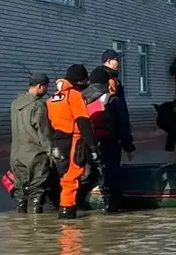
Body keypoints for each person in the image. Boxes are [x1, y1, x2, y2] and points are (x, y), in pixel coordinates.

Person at [47, 64, 99, 219]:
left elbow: (49, 123)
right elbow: (83, 122)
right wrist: (93, 146)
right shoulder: (74, 95)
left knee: (63, 177)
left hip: (58, 141)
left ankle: (64, 213)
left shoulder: (52, 98)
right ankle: (67, 218)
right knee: (72, 178)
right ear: (81, 80)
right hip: (74, 140)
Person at [82, 68, 135, 212]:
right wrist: (128, 147)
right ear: (106, 82)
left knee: (85, 177)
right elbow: (123, 126)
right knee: (111, 180)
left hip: (84, 147)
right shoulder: (112, 100)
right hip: (108, 145)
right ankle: (112, 209)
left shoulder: (80, 99)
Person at [9, 73, 54, 213]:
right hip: (35, 156)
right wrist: (52, 154)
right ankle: (36, 228)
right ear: (40, 86)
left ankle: (22, 227)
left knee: (20, 192)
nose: (47, 90)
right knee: (37, 191)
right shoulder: (38, 106)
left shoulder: (15, 104)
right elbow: (44, 133)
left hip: (16, 156)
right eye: (46, 87)